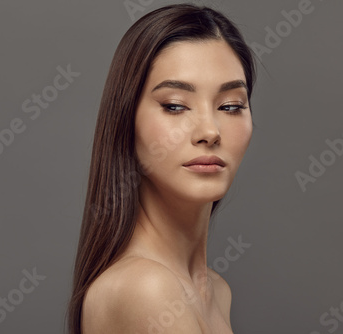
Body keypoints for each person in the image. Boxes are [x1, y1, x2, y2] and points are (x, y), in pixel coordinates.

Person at [66, 3, 257, 333]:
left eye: (230, 106)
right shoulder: (145, 288)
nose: (210, 131)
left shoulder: (216, 291)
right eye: (175, 106)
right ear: (127, 121)